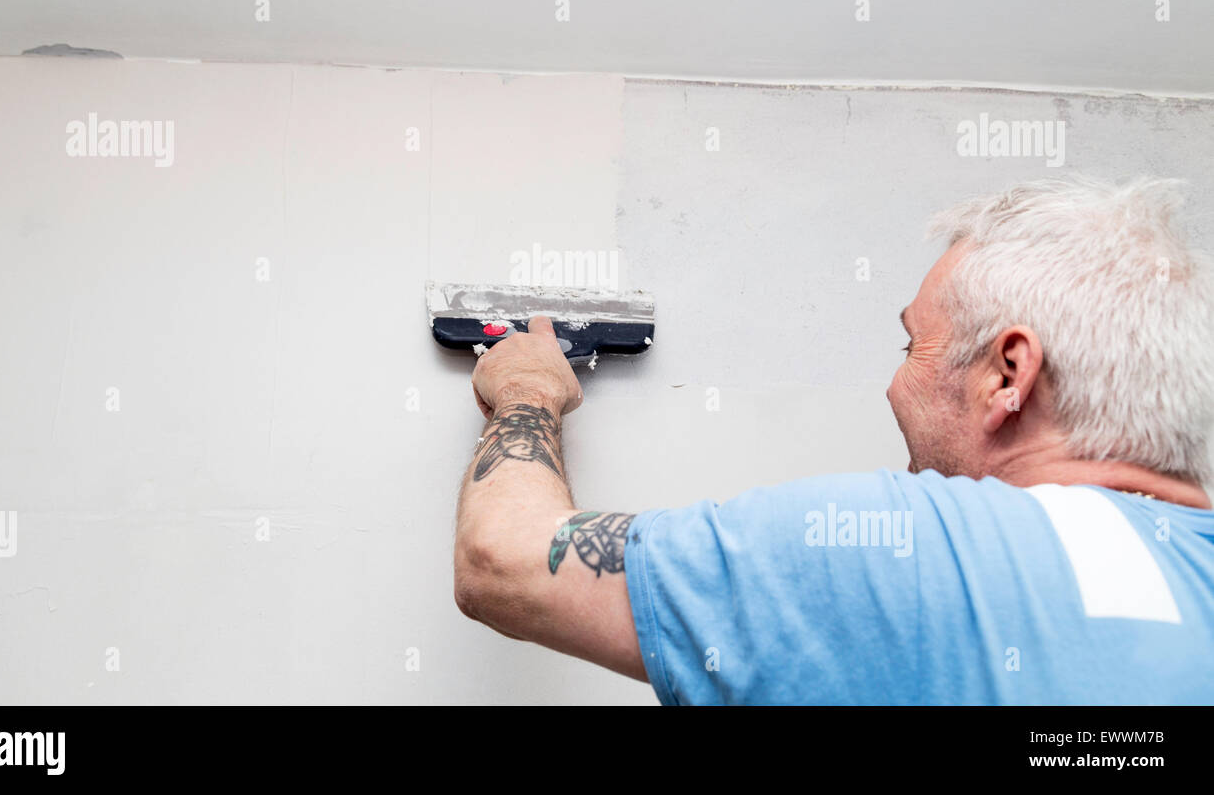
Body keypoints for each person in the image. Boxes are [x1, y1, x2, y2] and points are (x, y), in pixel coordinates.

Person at [452, 177, 1214, 704]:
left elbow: (505, 562)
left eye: (910, 345)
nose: (894, 384)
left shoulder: (906, 552)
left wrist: (525, 390)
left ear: (1008, 374)